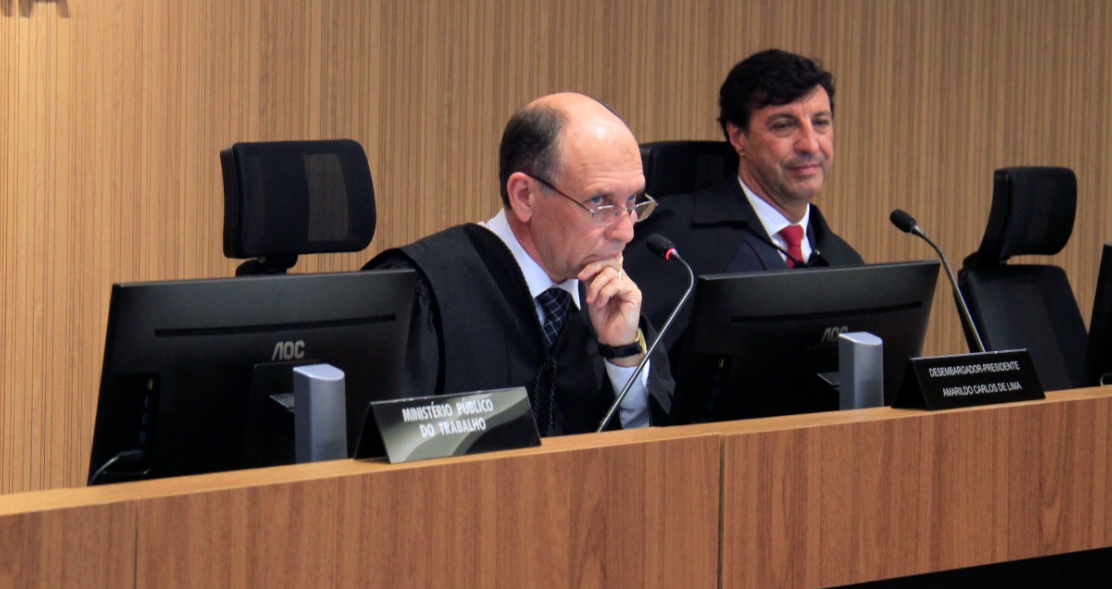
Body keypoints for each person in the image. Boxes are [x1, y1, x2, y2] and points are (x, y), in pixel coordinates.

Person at [365, 93, 672, 436]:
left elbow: (660, 459)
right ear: (524, 196)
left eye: (632, 201)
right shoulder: (425, 291)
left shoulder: (613, 300)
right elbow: (385, 455)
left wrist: (623, 355)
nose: (626, 231)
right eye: (599, 202)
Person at [623, 49, 865, 347]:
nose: (810, 144)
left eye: (820, 122)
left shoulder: (846, 263)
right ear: (738, 137)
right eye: (784, 125)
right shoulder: (676, 239)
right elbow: (626, 363)